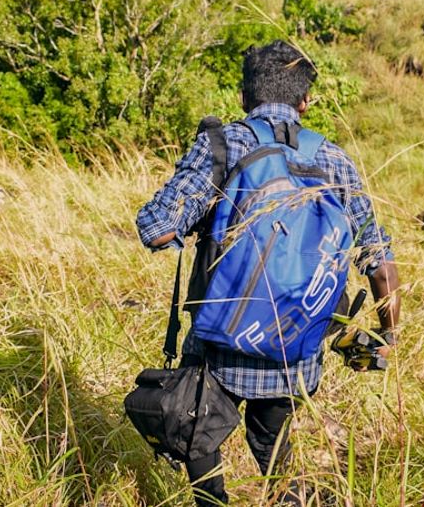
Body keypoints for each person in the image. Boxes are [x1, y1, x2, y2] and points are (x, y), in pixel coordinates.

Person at [136, 40, 401, 505]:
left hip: (220, 340)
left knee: (199, 432)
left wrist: (205, 226)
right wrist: (387, 334)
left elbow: (157, 228)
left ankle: (213, 502)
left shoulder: (226, 143)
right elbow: (378, 258)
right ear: (306, 101)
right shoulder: (334, 159)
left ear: (244, 97)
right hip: (296, 348)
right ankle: (287, 498)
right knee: (275, 440)